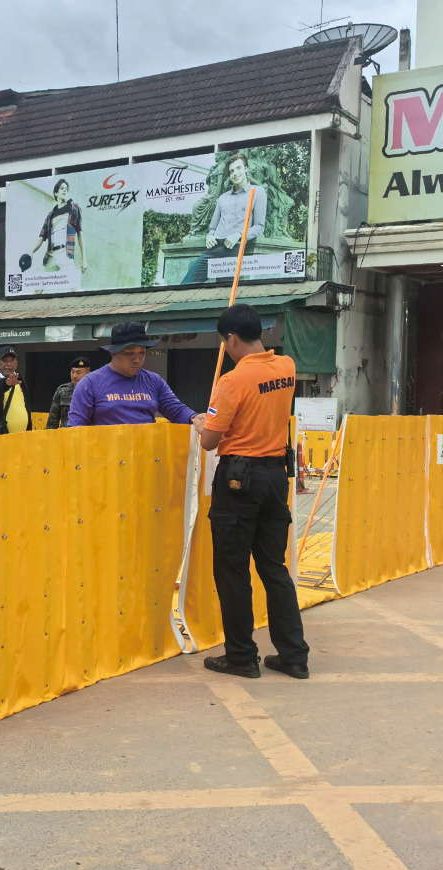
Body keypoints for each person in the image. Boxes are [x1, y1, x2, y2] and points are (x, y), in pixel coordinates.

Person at [198, 303, 309, 680]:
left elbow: (210, 442)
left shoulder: (231, 381)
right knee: (273, 567)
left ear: (230, 339)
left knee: (232, 570)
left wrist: (202, 423)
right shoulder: (287, 367)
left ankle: (241, 656)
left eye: (224, 342)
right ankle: (294, 655)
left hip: (238, 478)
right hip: (275, 478)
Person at [67, 322, 207, 428]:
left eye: (142, 352)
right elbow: (75, 428)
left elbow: (176, 411)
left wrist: (194, 417)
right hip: (104, 461)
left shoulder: (153, 381)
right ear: (113, 352)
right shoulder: (89, 383)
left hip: (146, 460)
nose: (137, 359)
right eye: (129, 352)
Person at [181, 152, 268, 285]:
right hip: (214, 249)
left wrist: (238, 235)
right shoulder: (223, 197)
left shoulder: (257, 192)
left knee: (224, 293)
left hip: (234, 248)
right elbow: (213, 227)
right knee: (186, 284)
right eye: (231, 171)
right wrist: (210, 236)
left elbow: (259, 227)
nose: (235, 173)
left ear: (246, 168)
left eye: (238, 168)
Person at [30, 179, 87, 291]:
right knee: (37, 288)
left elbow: (80, 234)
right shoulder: (51, 215)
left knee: (76, 288)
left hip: (65, 254)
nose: (65, 190)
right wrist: (31, 251)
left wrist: (84, 259)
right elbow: (41, 238)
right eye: (62, 188)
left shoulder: (74, 208)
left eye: (66, 189)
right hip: (51, 256)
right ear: (56, 193)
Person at [0, 346, 32, 434]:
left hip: (21, 437)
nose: (9, 364)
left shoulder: (20, 380)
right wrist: (6, 383)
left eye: (12, 360)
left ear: (16, 363)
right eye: (5, 360)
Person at [47, 356, 92, 429]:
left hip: (86, 435)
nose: (74, 376)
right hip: (66, 436)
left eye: (78, 372)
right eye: (72, 372)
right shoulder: (62, 390)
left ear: (88, 374)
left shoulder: (94, 391)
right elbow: (53, 419)